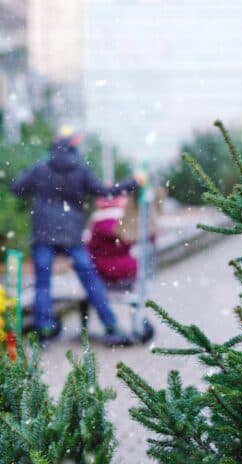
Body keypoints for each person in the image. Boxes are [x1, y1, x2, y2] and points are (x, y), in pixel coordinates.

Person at [11, 126, 145, 347]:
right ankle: (111, 325)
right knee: (91, 280)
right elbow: (105, 192)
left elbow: (17, 188)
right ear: (74, 146)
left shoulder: (40, 168)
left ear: (54, 145)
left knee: (43, 285)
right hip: (71, 234)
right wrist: (133, 182)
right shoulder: (80, 169)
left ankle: (44, 331)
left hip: (43, 233)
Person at [86, 194, 138, 289]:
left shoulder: (96, 223)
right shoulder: (126, 221)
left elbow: (89, 249)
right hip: (128, 269)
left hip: (104, 270)